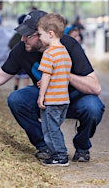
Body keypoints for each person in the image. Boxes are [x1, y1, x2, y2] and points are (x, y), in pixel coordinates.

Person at [0, 10, 105, 163]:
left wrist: (64, 74)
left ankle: (82, 146)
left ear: (46, 34)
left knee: (93, 107)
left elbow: (95, 87)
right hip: (46, 97)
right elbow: (1, 75)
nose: (23, 39)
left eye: (28, 35)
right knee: (16, 99)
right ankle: (44, 146)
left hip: (73, 97)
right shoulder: (21, 49)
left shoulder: (68, 45)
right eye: (22, 34)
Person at [36, 13, 72, 166]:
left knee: (50, 129)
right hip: (63, 99)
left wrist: (41, 95)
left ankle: (60, 155)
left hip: (52, 100)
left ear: (50, 34)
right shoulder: (64, 52)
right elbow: (60, 75)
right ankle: (56, 151)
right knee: (55, 127)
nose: (39, 38)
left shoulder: (49, 53)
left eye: (40, 34)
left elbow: (46, 75)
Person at [8, 14, 30, 90]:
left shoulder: (16, 35)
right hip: (25, 60)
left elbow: (10, 44)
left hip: (17, 60)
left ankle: (15, 90)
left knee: (17, 77)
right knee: (26, 78)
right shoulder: (27, 35)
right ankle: (27, 91)